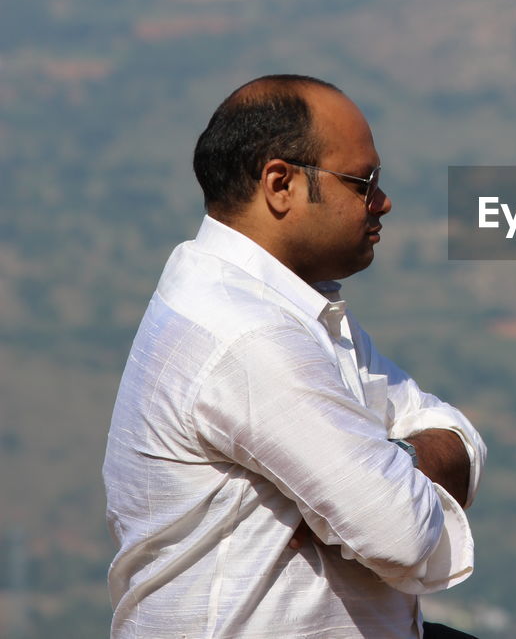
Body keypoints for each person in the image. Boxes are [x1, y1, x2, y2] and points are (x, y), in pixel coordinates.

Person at [102, 75, 485, 638]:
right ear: (280, 183)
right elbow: (401, 533)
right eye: (364, 181)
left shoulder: (294, 305)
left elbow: (457, 435)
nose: (383, 201)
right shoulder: (246, 333)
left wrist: (389, 458)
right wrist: (380, 482)